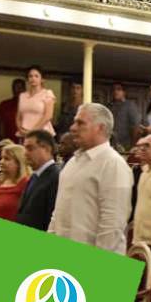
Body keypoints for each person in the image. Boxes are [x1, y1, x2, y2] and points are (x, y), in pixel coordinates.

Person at [49, 103, 133, 253]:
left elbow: (112, 225)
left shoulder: (113, 164)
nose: (73, 128)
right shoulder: (73, 162)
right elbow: (59, 212)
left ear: (100, 127)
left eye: (80, 123)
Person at [17, 129, 59, 230]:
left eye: (30, 148)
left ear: (46, 149)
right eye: (25, 149)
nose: (25, 154)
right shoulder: (34, 177)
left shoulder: (55, 177)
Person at [0, 144, 30, 222]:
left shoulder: (26, 184)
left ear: (18, 162)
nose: (1, 162)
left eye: (7, 159)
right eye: (2, 158)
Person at [17, 66, 55, 139]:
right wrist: (20, 129)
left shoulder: (47, 93)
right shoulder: (22, 95)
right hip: (24, 133)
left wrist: (33, 131)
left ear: (42, 79)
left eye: (36, 76)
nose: (33, 78)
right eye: (30, 76)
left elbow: (48, 116)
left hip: (42, 134)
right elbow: (18, 116)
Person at [110, 82, 141, 152]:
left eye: (118, 89)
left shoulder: (130, 105)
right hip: (111, 144)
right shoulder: (110, 106)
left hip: (125, 145)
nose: (116, 91)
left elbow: (136, 127)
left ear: (124, 92)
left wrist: (132, 145)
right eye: (114, 89)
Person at [0, 78, 26, 143]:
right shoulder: (4, 105)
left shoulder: (31, 106)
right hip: (8, 141)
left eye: (20, 87)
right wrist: (2, 140)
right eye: (15, 88)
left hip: (26, 141)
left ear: (24, 89)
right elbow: (1, 124)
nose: (17, 90)